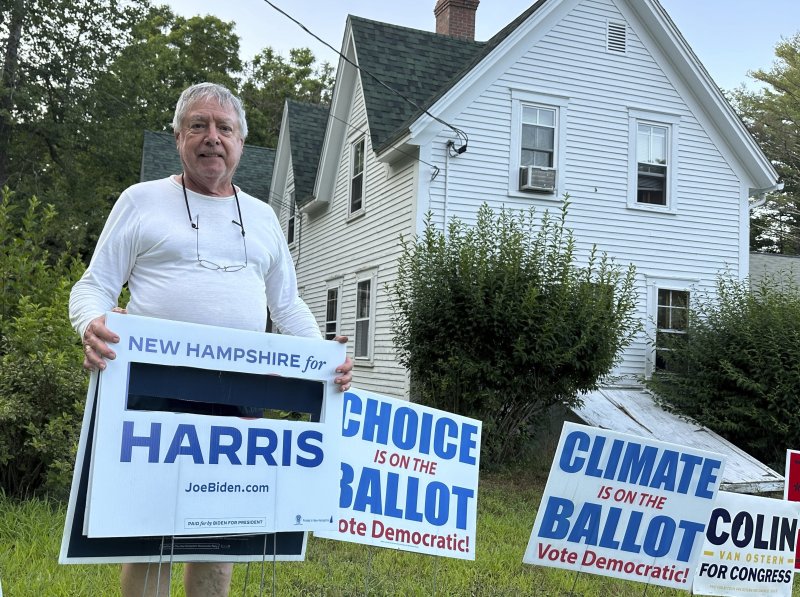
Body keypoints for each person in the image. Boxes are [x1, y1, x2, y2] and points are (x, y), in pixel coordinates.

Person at [69, 82, 353, 597]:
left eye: (225, 128)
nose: (211, 138)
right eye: (198, 125)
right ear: (179, 136)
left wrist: (324, 359)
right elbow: (94, 286)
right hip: (152, 387)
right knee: (147, 531)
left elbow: (286, 304)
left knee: (218, 529)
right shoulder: (141, 201)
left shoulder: (264, 217)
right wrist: (91, 322)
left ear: (241, 143)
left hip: (241, 393)